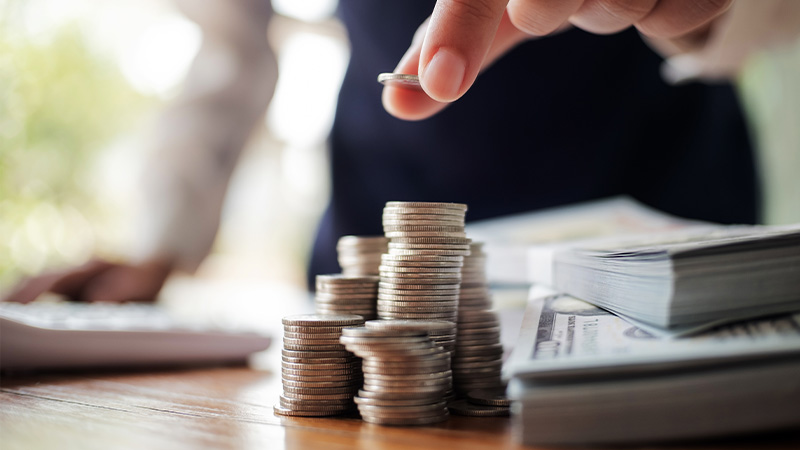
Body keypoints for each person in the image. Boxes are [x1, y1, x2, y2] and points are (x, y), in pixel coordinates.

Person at [5, 0, 800, 303]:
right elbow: (228, 41)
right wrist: (161, 240)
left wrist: (709, 12)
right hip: (381, 200)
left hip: (663, 179)